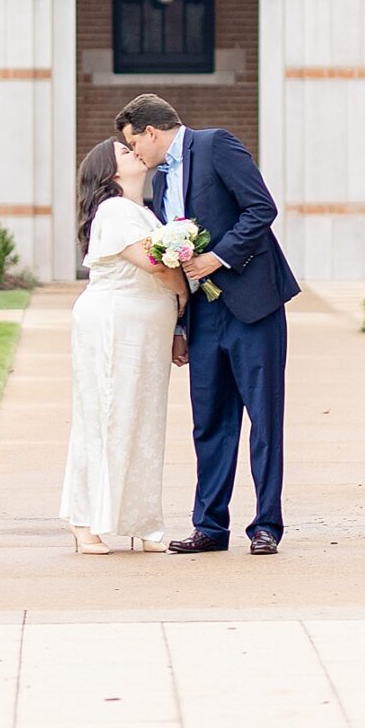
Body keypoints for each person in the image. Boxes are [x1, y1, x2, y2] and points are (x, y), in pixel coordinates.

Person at [116, 93, 299, 556]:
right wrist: (179, 327)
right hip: (203, 317)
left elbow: (261, 209)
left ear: (151, 132)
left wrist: (218, 257)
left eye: (133, 143)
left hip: (254, 307)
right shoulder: (160, 184)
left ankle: (266, 526)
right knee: (209, 424)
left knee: (263, 420)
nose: (134, 153)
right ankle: (210, 527)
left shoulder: (216, 145)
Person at [58, 133, 189, 554]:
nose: (133, 152)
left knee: (143, 423)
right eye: (123, 151)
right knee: (106, 416)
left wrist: (175, 324)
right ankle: (85, 521)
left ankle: (140, 520)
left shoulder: (145, 212)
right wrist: (184, 293)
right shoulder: (113, 210)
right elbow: (154, 263)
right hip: (114, 324)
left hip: (147, 329)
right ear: (110, 171)